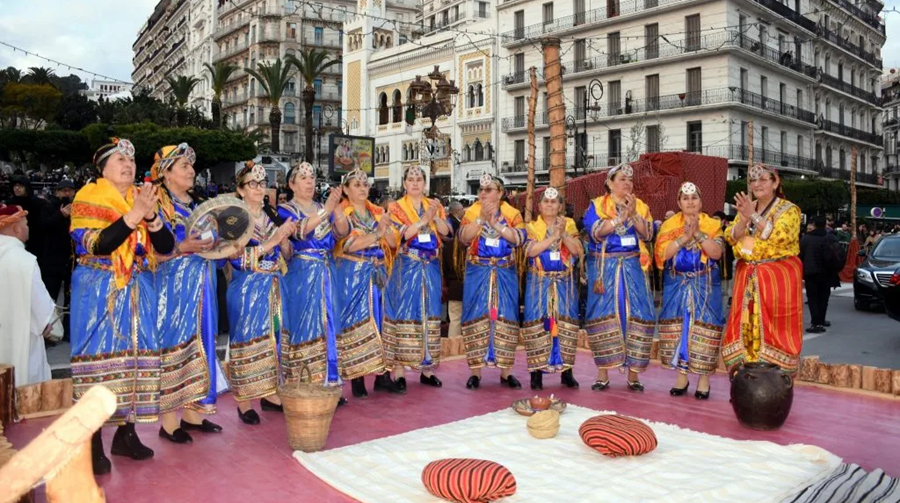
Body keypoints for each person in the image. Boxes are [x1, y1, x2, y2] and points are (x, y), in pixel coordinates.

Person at [69, 138, 176, 474]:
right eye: (119, 159)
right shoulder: (88, 198)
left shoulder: (141, 198)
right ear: (102, 168)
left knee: (133, 362)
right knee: (101, 363)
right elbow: (99, 245)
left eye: (131, 160)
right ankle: (92, 442)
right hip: (100, 290)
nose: (128, 165)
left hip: (138, 290)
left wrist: (153, 215)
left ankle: (126, 435)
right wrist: (134, 215)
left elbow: (167, 247)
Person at [152, 143, 226, 444]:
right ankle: (168, 422)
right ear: (166, 173)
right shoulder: (158, 205)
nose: (191, 171)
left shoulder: (198, 204)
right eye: (184, 166)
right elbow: (156, 245)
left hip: (202, 283)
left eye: (191, 166)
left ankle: (194, 415)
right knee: (176, 345)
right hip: (174, 285)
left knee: (204, 342)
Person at [227, 161, 297, 425]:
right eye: (252, 184)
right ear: (241, 189)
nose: (258, 188)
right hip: (246, 288)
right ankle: (244, 400)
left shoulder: (271, 215)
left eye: (262, 183)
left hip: (273, 286)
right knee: (247, 341)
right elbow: (236, 259)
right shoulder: (234, 218)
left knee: (275, 339)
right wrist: (273, 241)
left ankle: (269, 393)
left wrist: (286, 242)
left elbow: (285, 255)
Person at [277, 162, 349, 400]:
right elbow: (300, 232)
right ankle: (304, 383)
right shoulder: (285, 210)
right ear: (291, 184)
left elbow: (341, 233)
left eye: (312, 177)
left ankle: (329, 382)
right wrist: (326, 211)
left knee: (328, 323)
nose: (310, 182)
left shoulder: (322, 205)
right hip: (302, 274)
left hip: (327, 271)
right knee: (304, 325)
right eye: (304, 178)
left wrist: (337, 209)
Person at [723, 164, 803, 373]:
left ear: (775, 183)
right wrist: (743, 218)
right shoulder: (749, 208)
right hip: (747, 277)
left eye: (762, 179)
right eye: (752, 180)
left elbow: (778, 237)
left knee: (774, 327)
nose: (756, 184)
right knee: (746, 324)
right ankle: (747, 373)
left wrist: (753, 218)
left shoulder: (789, 210)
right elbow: (731, 237)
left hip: (775, 281)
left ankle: (773, 375)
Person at [582, 162, 655, 392]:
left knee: (637, 314)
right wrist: (619, 219)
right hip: (605, 267)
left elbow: (648, 234)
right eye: (622, 179)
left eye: (630, 180)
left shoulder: (640, 205)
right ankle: (603, 373)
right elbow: (595, 232)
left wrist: (633, 214)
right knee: (603, 314)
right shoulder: (597, 204)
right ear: (610, 183)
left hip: (632, 265)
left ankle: (634, 375)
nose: (627, 183)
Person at [384, 165, 452, 393]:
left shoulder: (434, 205)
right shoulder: (396, 207)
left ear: (425, 183)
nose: (415, 183)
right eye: (411, 179)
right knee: (405, 312)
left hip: (430, 266)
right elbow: (401, 234)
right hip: (406, 266)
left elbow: (446, 232)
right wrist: (425, 220)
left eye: (419, 179)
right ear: (404, 184)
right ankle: (401, 370)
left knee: (430, 312)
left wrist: (434, 217)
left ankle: (427, 369)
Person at [655, 182, 725, 399]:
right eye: (685, 198)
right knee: (680, 330)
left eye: (694, 198)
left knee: (705, 329)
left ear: (701, 202)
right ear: (679, 202)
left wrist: (699, 235)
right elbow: (663, 255)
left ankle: (703, 379)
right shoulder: (669, 225)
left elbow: (716, 254)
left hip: (705, 284)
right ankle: (682, 376)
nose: (690, 202)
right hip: (677, 283)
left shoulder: (712, 224)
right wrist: (684, 237)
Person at [458, 174, 526, 390]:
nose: (484, 193)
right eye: (481, 190)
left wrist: (497, 226)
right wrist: (480, 219)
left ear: (500, 193)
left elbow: (520, 239)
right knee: (476, 315)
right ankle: (475, 371)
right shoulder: (471, 212)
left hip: (505, 271)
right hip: (478, 270)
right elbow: (463, 238)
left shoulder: (512, 214)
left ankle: (506, 372)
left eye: (489, 189)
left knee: (506, 316)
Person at [335, 168, 397, 398]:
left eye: (365, 185)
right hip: (353, 273)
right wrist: (377, 234)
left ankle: (383, 375)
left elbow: (392, 241)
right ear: (345, 189)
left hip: (378, 271)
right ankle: (357, 377)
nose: (362, 189)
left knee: (382, 321)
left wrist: (386, 229)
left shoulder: (377, 212)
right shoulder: (342, 214)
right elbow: (349, 245)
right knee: (356, 321)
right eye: (357, 185)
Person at [523, 188, 583, 391]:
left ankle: (567, 372)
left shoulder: (569, 224)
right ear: (539, 206)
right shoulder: (532, 227)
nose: (550, 205)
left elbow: (576, 250)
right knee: (538, 324)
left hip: (564, 282)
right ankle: (536, 373)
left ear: (560, 206)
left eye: (554, 202)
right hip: (539, 282)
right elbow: (530, 251)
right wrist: (552, 237)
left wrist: (563, 232)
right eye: (546, 202)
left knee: (566, 324)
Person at [0, 204, 53, 387]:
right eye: (26, 223)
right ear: (16, 228)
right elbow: (43, 313)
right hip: (23, 342)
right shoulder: (25, 261)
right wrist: (46, 326)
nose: (28, 227)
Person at [40, 179, 76, 342]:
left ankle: (68, 331)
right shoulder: (48, 207)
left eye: (70, 190)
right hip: (52, 260)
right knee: (50, 298)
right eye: (63, 190)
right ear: (57, 192)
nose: (66, 193)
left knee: (70, 298)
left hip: (71, 260)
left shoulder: (78, 207)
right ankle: (50, 333)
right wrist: (60, 216)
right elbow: (44, 227)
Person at [799, 216, 840, 334]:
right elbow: (838, 254)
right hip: (827, 273)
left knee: (812, 298)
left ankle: (815, 322)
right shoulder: (830, 238)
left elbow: (800, 255)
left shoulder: (806, 239)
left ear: (815, 225)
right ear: (825, 225)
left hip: (810, 272)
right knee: (824, 298)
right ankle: (821, 320)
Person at [7, 176, 44, 257]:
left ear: (27, 187)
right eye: (15, 186)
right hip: (15, 239)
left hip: (35, 240)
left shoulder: (38, 203)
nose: (16, 188)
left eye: (20, 186)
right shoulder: (9, 203)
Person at [443, 201, 465, 339]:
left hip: (453, 286)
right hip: (464, 285)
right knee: (460, 320)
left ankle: (452, 348)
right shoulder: (466, 246)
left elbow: (444, 267)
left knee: (455, 320)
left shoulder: (447, 246)